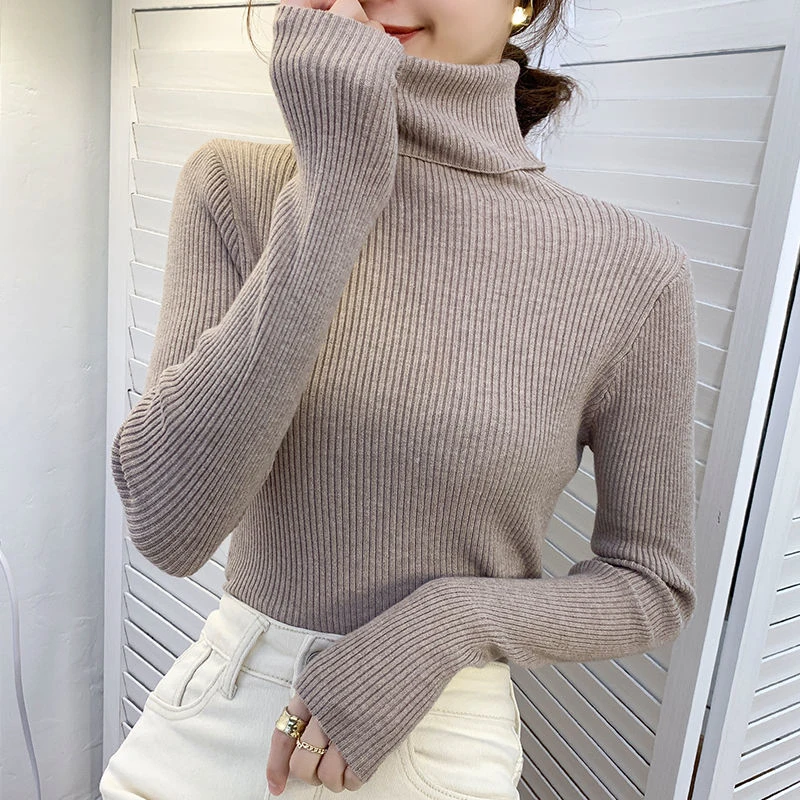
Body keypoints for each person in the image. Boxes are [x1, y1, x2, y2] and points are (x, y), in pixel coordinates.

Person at [100, 0, 698, 798]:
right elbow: (168, 526)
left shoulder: (630, 269)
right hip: (219, 718)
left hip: (439, 737)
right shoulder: (236, 187)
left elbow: (652, 585)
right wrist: (334, 192)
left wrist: (445, 625)